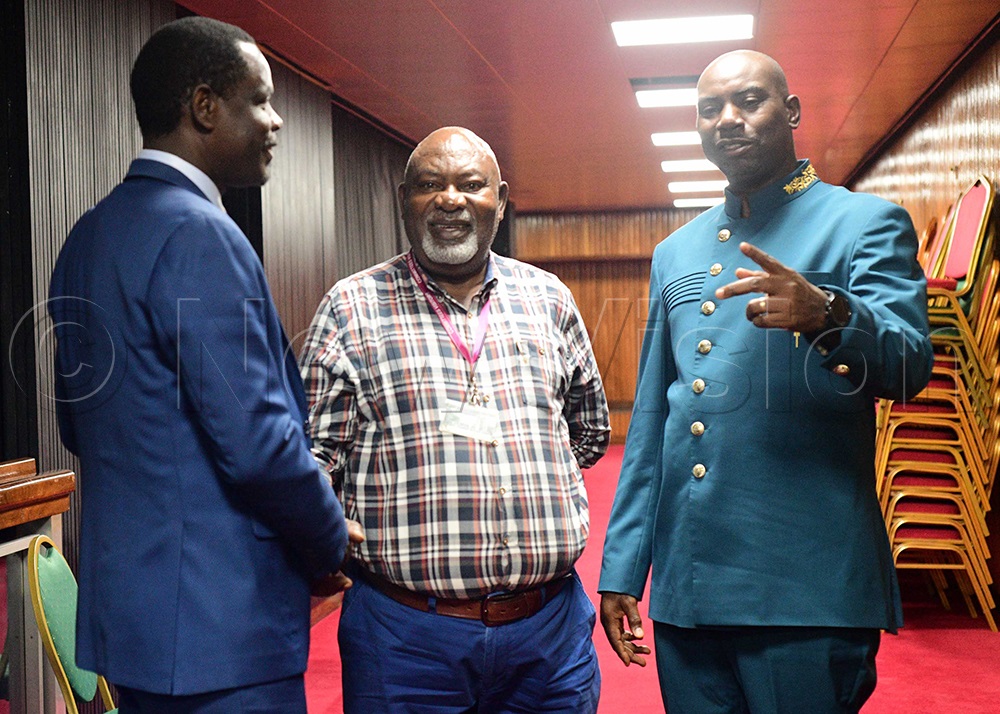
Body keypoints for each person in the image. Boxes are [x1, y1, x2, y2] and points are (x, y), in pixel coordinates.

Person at [598, 50, 933, 713]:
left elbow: (908, 367)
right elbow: (654, 425)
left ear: (792, 112)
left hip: (803, 590)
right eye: (709, 108)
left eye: (749, 101)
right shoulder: (676, 252)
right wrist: (623, 569)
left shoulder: (863, 223)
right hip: (690, 592)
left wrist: (832, 316)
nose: (727, 119)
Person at [48, 17, 355, 713]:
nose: (275, 121)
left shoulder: (88, 235)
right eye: (260, 99)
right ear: (205, 108)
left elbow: (78, 423)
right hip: (222, 629)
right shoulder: (200, 234)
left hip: (135, 625)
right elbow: (260, 446)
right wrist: (329, 537)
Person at [300, 126, 610, 713]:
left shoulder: (549, 298)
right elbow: (313, 457)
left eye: (471, 184)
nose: (450, 199)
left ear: (501, 197)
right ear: (402, 200)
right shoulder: (352, 308)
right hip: (405, 639)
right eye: (429, 185)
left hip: (549, 635)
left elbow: (589, 433)